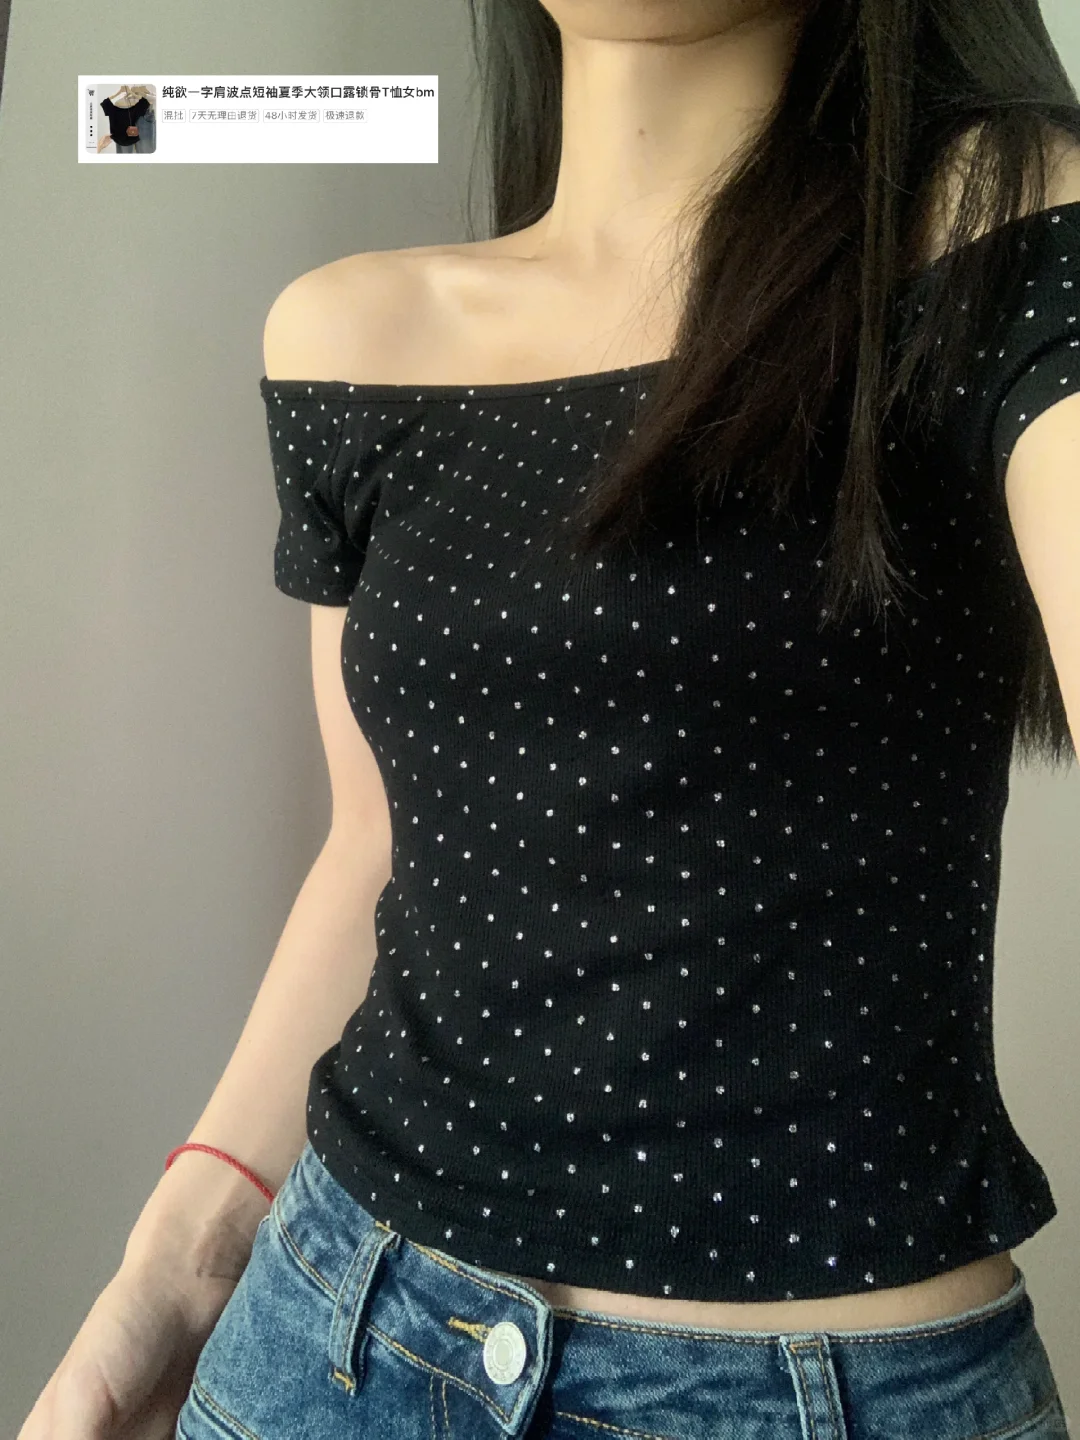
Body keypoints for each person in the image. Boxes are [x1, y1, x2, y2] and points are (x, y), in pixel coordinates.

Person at [19, 1, 1080, 1436]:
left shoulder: (1009, 223)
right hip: (330, 1332)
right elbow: (379, 849)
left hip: (814, 1394)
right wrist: (172, 1275)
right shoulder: (350, 333)